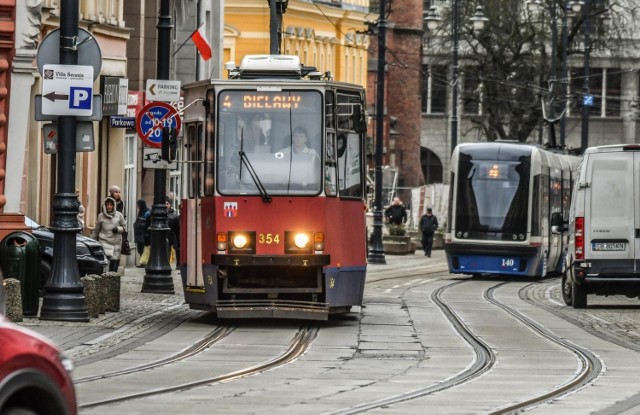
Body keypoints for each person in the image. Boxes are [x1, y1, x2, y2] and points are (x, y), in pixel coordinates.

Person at [92, 197, 127, 272]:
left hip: (116, 242)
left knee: (114, 265)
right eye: (107, 205)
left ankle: (113, 280)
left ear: (114, 206)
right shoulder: (101, 216)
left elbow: (124, 227)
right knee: (105, 263)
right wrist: (93, 241)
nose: (109, 207)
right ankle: (104, 279)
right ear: (104, 206)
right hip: (104, 241)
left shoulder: (119, 215)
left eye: (111, 205)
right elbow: (96, 230)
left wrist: (118, 229)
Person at [133, 199, 151, 267]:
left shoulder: (147, 212)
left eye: (138, 205)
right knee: (140, 249)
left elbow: (148, 223)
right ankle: (142, 261)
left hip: (143, 234)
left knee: (144, 249)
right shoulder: (140, 211)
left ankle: (144, 262)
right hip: (138, 234)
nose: (138, 206)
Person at [165, 197, 180, 268]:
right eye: (164, 203)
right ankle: (166, 263)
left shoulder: (174, 215)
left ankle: (178, 264)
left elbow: (177, 229)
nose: (166, 205)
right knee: (166, 251)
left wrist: (178, 239)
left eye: (167, 203)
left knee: (175, 250)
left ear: (170, 205)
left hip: (172, 236)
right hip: (164, 237)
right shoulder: (159, 213)